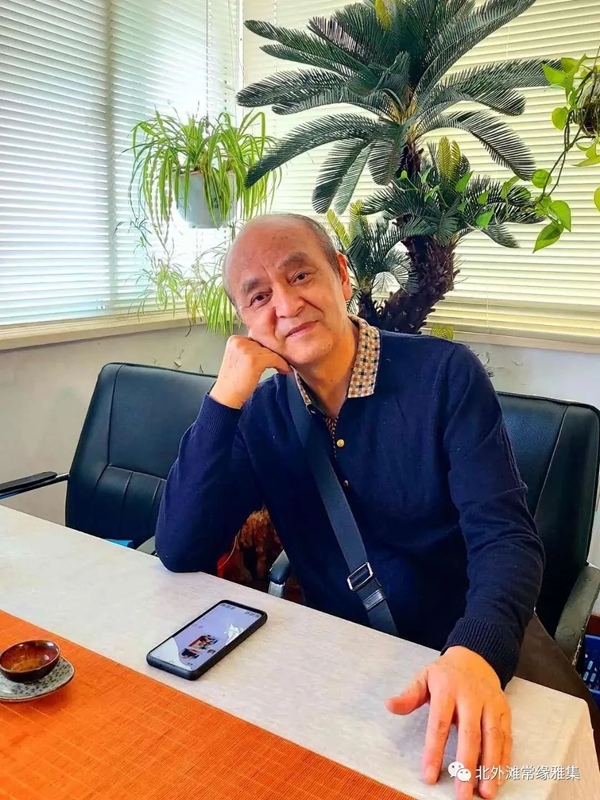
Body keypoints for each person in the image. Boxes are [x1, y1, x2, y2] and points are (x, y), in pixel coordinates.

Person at [155, 214, 546, 800]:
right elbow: (180, 548)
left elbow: (506, 537)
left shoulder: (443, 376)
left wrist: (475, 651)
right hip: (343, 668)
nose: (286, 305)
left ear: (341, 276)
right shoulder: (261, 415)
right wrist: (223, 398)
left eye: (300, 276)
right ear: (245, 321)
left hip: (465, 646)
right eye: (259, 296)